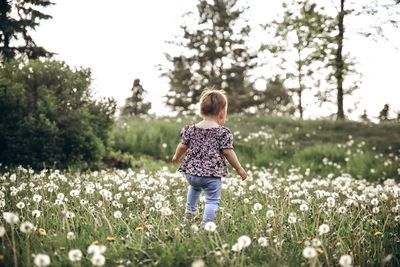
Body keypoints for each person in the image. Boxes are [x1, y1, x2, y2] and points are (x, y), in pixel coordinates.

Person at [171, 87, 247, 226]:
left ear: (201, 111)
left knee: (194, 188)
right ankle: (206, 225)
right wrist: (239, 169)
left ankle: (189, 213)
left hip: (191, 174)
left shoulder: (190, 129)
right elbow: (228, 152)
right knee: (212, 200)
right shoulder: (223, 132)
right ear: (222, 113)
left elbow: (182, 146)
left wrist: (176, 157)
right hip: (211, 175)